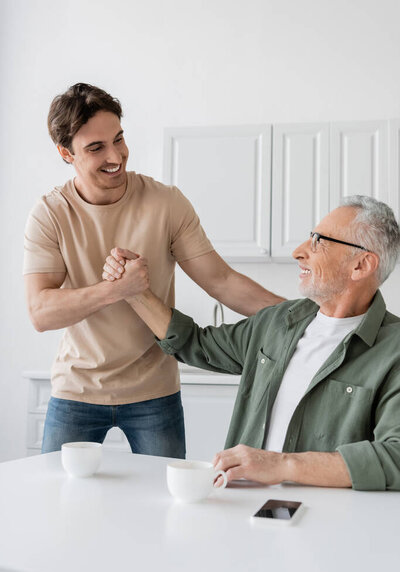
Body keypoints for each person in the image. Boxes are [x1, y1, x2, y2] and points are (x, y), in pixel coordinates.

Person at [23, 82, 284, 458]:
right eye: (96, 148)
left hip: (154, 393)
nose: (116, 155)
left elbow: (223, 281)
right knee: (58, 500)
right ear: (66, 153)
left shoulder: (166, 203)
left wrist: (303, 318)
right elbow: (40, 313)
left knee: (167, 506)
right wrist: (117, 289)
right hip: (76, 391)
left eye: (119, 139)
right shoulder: (50, 214)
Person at [103, 195, 400, 490]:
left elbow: (395, 457)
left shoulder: (393, 350)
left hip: (325, 522)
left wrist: (282, 465)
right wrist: (135, 292)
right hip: (241, 509)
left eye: (319, 242)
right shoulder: (279, 321)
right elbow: (196, 343)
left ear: (361, 265)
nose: (298, 252)